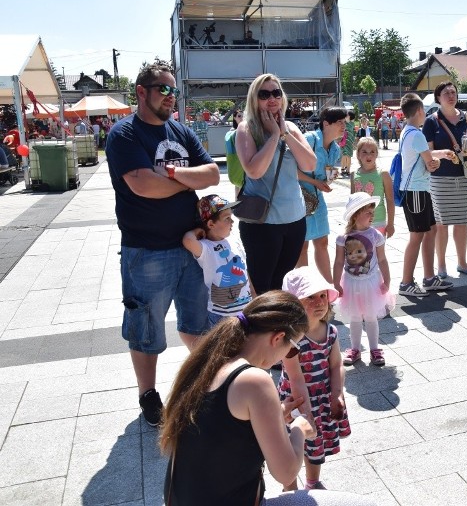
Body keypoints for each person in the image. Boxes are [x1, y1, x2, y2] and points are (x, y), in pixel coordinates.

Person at [160, 290, 375, 505]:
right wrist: (300, 430)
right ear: (278, 338)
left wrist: (276, 415)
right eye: (293, 349)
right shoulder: (255, 381)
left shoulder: (209, 361)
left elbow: (220, 427)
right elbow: (286, 473)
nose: (289, 355)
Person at [106, 61, 220, 427]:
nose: (171, 96)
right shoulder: (124, 134)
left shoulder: (181, 131)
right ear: (142, 91)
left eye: (174, 89)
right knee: (146, 326)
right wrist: (188, 180)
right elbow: (142, 185)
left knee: (198, 322)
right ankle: (148, 393)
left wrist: (170, 174)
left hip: (191, 245)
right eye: (163, 89)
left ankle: (207, 383)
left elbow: (213, 173)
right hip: (147, 251)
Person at [236, 74, 317, 295]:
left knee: (282, 285)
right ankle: (263, 328)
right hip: (262, 223)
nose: (271, 99)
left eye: (276, 93)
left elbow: (309, 164)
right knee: (263, 288)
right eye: (264, 94)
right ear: (254, 99)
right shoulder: (246, 129)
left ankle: (279, 328)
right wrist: (273, 135)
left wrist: (285, 134)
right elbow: (254, 170)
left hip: (294, 219)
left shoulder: (290, 127)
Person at [278, 268, 352, 492]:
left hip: (323, 396)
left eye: (323, 296)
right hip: (297, 400)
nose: (320, 302)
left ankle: (313, 481)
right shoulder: (290, 338)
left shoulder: (330, 331)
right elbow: (296, 377)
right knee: (292, 445)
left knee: (316, 445)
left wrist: (337, 393)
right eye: (310, 297)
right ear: (293, 303)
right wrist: (307, 413)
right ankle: (289, 487)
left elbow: (336, 364)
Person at [396, 93, 456, 297]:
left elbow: (424, 157)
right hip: (416, 191)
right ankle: (406, 282)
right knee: (417, 236)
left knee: (430, 231)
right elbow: (430, 164)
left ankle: (429, 278)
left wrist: (441, 153)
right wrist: (438, 161)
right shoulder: (417, 134)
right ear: (420, 111)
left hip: (418, 190)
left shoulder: (408, 132)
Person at [423, 81, 467, 279]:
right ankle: (441, 265)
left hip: (464, 176)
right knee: (442, 223)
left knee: (462, 221)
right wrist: (443, 153)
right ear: (438, 98)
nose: (450, 95)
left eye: (453, 92)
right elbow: (427, 151)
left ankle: (462, 262)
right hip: (440, 177)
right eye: (446, 93)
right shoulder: (432, 120)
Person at [333, 193, 395, 365]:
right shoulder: (343, 238)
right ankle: (355, 349)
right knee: (354, 317)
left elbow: (382, 259)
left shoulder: (376, 235)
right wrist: (336, 283)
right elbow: (338, 261)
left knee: (370, 316)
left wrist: (387, 281)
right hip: (351, 283)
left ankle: (375, 349)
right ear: (356, 214)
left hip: (371, 282)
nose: (372, 215)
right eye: (368, 212)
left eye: (372, 212)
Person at [182, 195, 252, 326]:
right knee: (224, 346)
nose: (232, 222)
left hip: (245, 309)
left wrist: (254, 297)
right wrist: (197, 231)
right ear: (211, 224)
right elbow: (188, 240)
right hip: (221, 315)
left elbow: (245, 272)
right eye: (227, 218)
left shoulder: (234, 240)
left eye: (231, 218)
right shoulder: (206, 248)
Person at [296, 107, 346, 283]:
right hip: (299, 199)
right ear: (326, 123)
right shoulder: (309, 139)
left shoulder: (335, 149)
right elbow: (291, 170)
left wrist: (329, 178)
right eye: (340, 122)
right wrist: (315, 182)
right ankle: (304, 288)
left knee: (322, 242)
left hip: (317, 200)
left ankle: (328, 287)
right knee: (302, 246)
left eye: (344, 122)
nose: (343, 126)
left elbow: (324, 175)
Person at [350, 137, 394, 236]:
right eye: (364, 152)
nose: (368, 155)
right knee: (361, 250)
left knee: (378, 250)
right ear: (358, 154)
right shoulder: (354, 174)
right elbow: (352, 201)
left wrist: (390, 224)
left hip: (378, 221)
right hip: (359, 222)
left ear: (377, 154)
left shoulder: (383, 174)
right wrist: (351, 222)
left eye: (372, 152)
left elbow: (390, 200)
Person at [339, 111, 356, 177]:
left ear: (350, 116)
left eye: (347, 115)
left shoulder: (352, 124)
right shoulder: (343, 123)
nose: (345, 116)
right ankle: (342, 169)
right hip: (343, 142)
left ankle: (348, 170)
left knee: (349, 156)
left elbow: (354, 133)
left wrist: (354, 141)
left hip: (350, 142)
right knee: (343, 155)